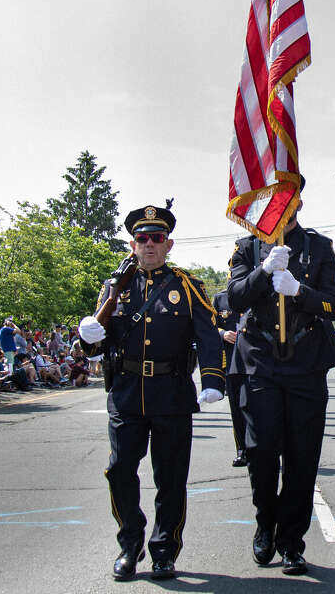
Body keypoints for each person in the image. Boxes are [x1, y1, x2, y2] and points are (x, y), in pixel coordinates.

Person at [77, 202, 225, 582]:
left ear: (168, 243)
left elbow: (208, 334)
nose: (149, 245)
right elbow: (97, 344)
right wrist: (88, 337)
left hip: (171, 392)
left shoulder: (186, 285)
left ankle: (163, 549)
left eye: (156, 238)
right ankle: (130, 543)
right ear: (132, 244)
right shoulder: (114, 286)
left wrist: (212, 380)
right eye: (142, 239)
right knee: (119, 470)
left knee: (170, 478)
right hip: (126, 393)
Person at [225, 201, 335, 576]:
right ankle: (265, 520)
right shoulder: (248, 247)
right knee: (259, 450)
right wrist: (264, 271)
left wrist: (299, 291)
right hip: (260, 361)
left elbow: (334, 305)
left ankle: (292, 541)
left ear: (299, 203)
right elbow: (235, 296)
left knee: (302, 455)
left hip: (306, 362)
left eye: (288, 197)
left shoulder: (320, 247)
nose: (282, 205)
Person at [213, 291, 249, 468]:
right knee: (237, 409)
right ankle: (242, 450)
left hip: (257, 363)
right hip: (232, 362)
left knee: (262, 408)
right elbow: (211, 325)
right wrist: (223, 334)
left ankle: (266, 449)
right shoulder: (220, 299)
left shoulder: (256, 291)